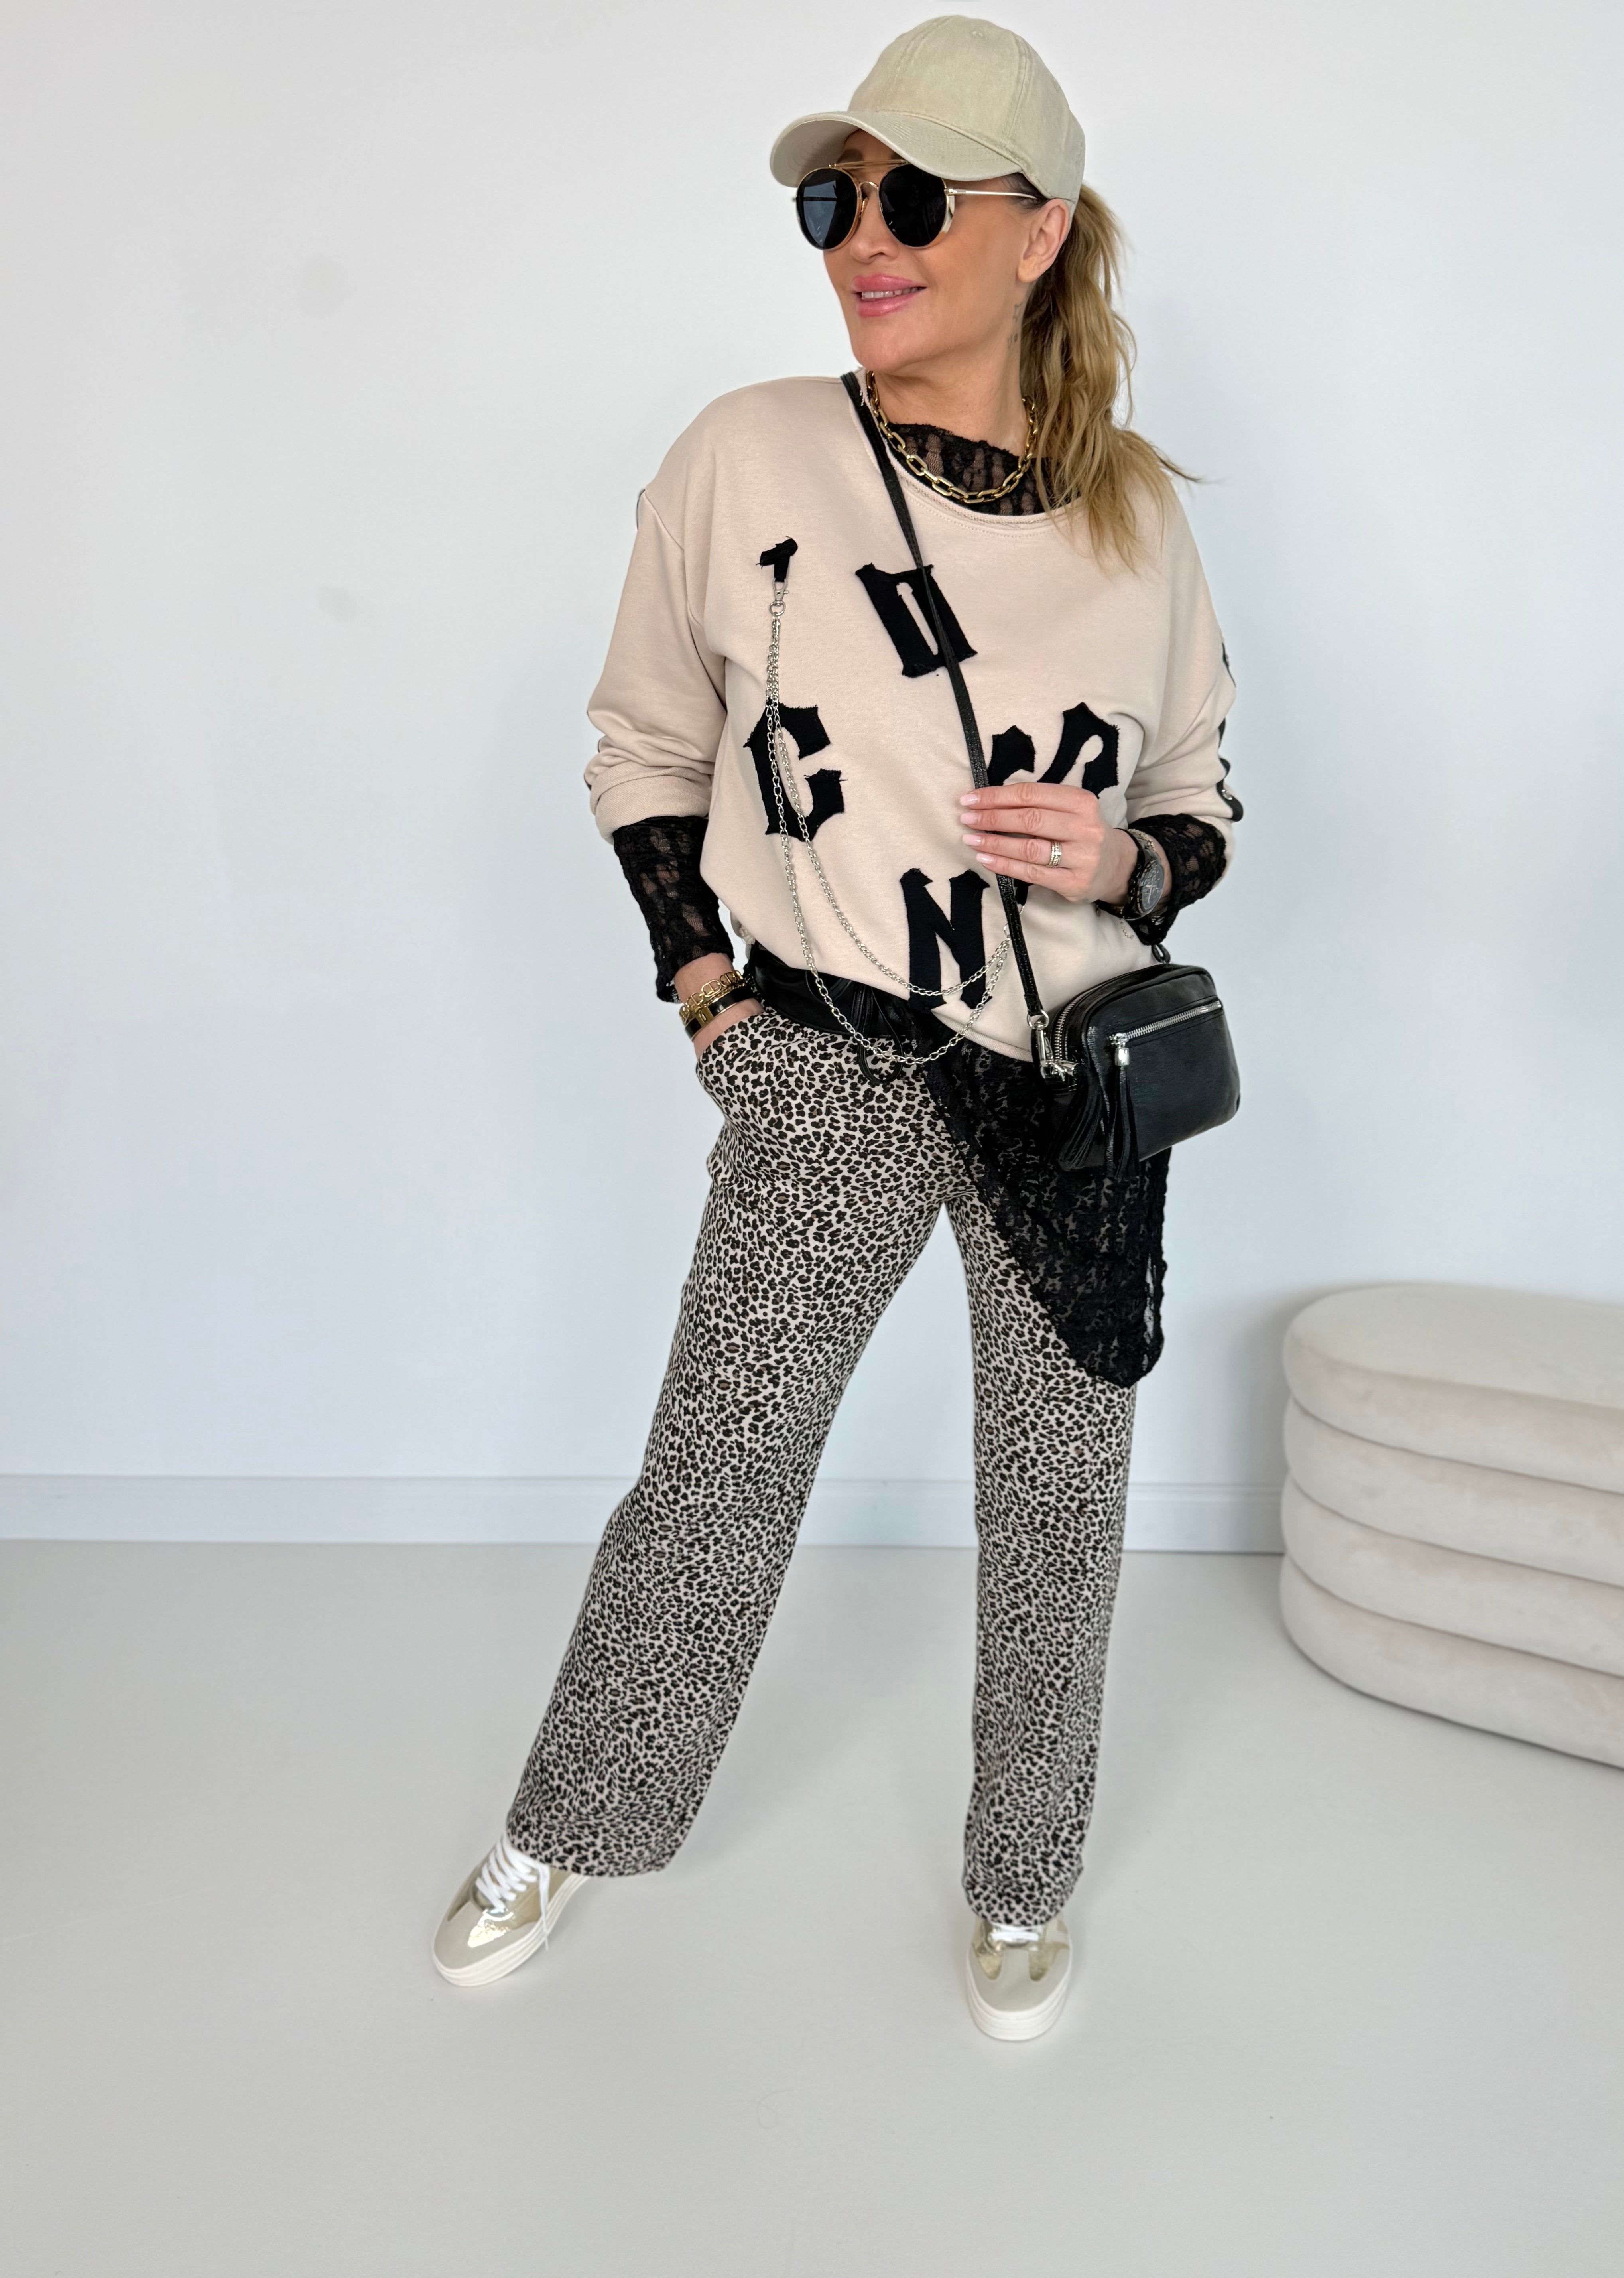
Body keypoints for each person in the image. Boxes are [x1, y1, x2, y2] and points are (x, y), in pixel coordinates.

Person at [432, 13, 1241, 2042]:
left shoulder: (1138, 521)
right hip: (830, 1056)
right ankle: (568, 1822)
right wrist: (705, 988)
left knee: (1057, 1500)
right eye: (833, 203)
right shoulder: (749, 454)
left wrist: (1125, 859)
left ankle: (1025, 1877)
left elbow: (1204, 797)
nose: (863, 242)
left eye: (911, 201)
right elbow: (643, 742)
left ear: (1038, 232)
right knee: (716, 1474)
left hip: (1071, 1086)